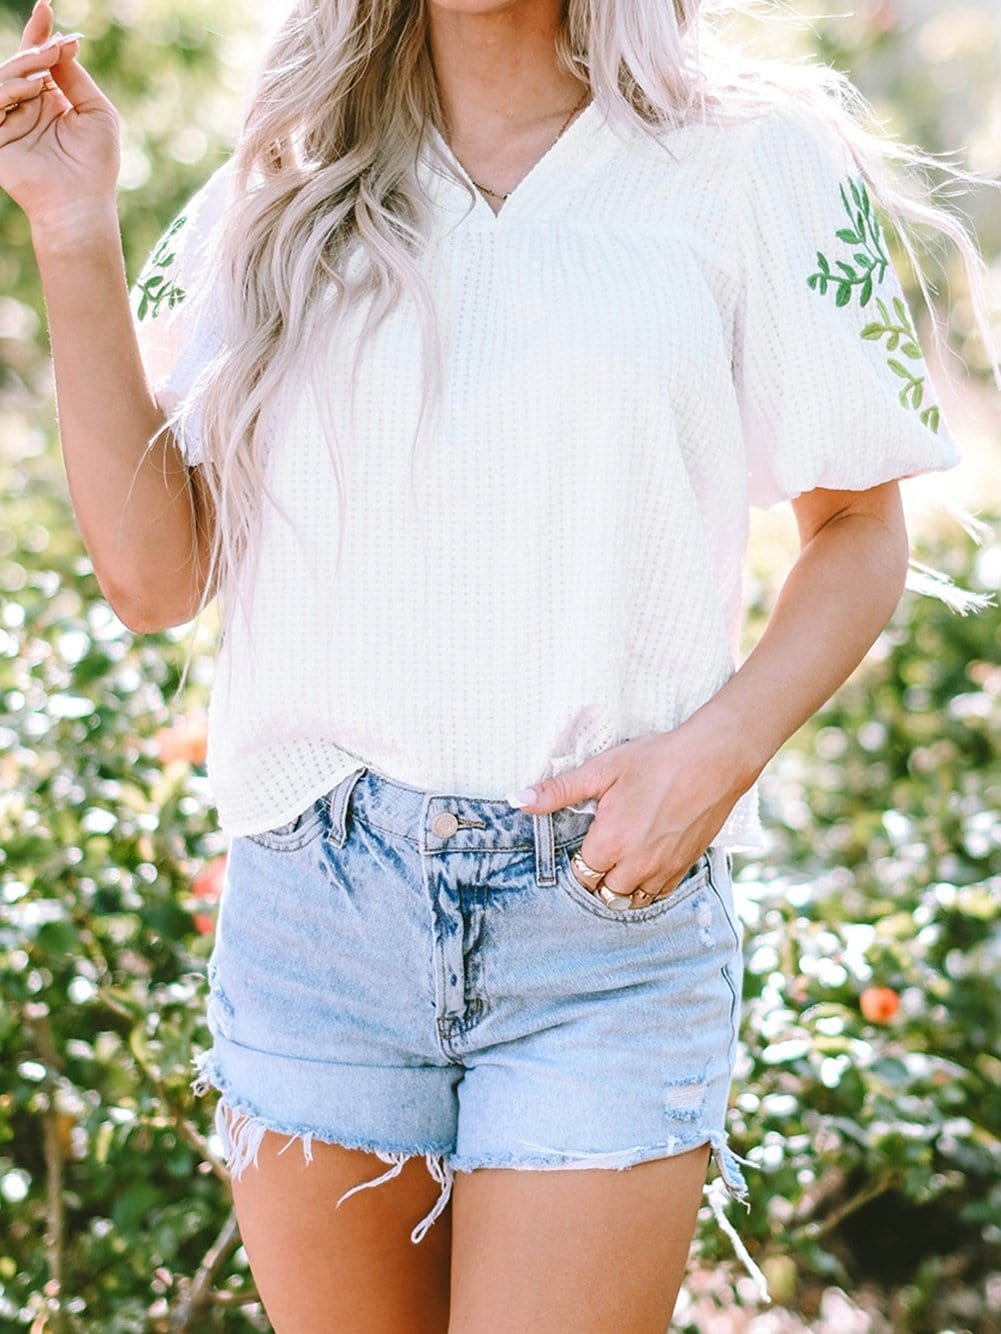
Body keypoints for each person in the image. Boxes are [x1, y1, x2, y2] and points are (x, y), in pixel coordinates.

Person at [6, 0, 996, 1329]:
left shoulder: (750, 156)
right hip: (321, 910)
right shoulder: (288, 177)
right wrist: (71, 229)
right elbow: (155, 576)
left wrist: (714, 754)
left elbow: (856, 527)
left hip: (600, 912)